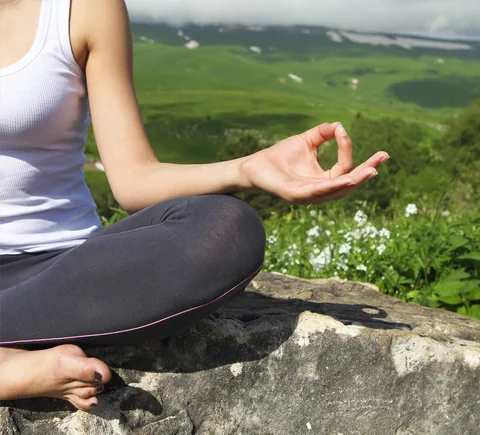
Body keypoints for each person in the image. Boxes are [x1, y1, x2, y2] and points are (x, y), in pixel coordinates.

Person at [0, 0, 389, 411]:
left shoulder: (84, 9)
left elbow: (134, 178)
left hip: (58, 274)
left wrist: (248, 169)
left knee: (225, 227)